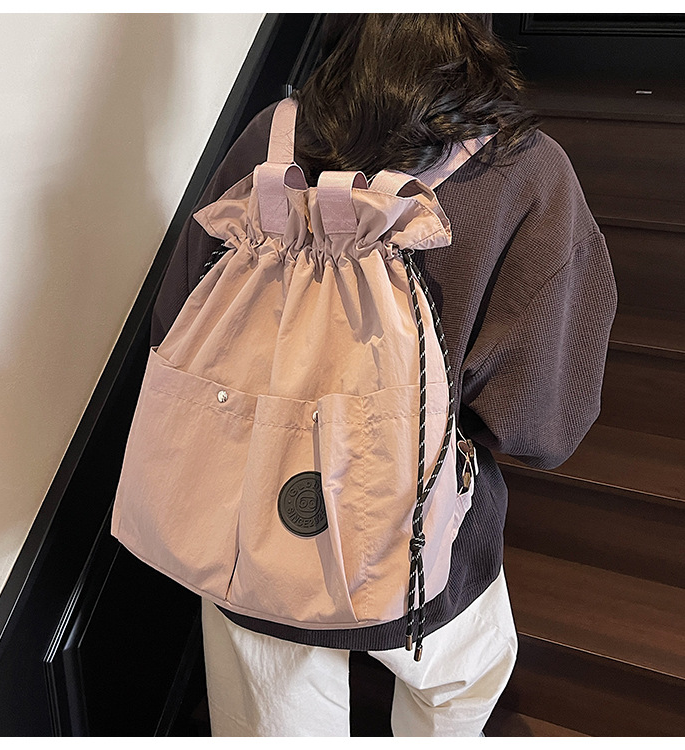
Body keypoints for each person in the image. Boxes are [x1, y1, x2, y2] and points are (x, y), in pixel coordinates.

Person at [149, 14, 617, 737]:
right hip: (421, 537)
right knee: (460, 685)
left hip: (250, 514)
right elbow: (539, 425)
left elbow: (176, 325)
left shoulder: (271, 136)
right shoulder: (528, 170)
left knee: (270, 711)